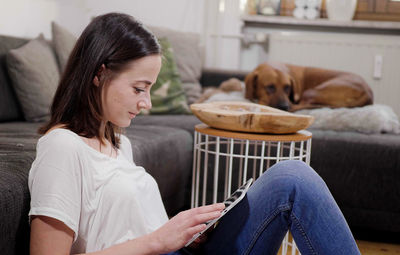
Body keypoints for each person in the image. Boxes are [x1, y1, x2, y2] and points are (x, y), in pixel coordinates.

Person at [28, 12, 361, 255]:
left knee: (292, 177)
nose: (146, 103)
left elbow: (133, 229)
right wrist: (159, 240)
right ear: (100, 74)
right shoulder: (61, 148)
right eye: (139, 88)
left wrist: (184, 232)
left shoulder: (118, 143)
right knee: (294, 179)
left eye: (150, 90)